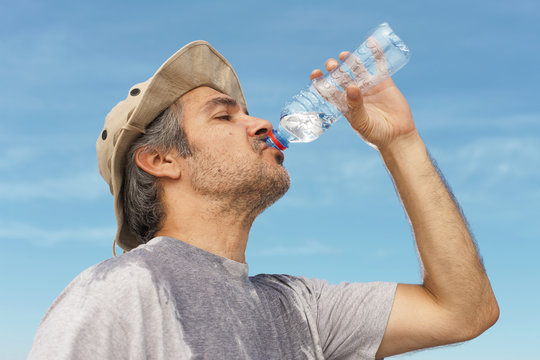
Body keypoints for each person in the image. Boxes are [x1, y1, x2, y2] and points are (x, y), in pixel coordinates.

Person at [29, 40, 498, 359]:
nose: (257, 125)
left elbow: (463, 312)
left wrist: (401, 141)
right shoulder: (119, 291)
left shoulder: (300, 308)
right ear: (162, 160)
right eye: (223, 117)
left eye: (248, 113)